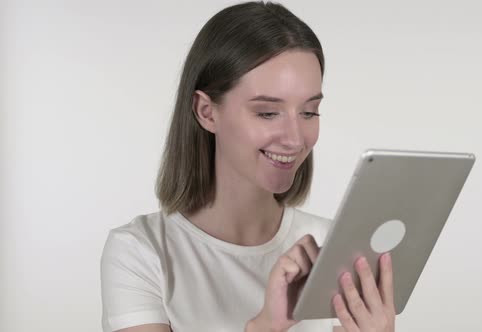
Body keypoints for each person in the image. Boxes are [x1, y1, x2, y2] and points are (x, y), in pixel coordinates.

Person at [100, 2, 396, 331]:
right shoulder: (142, 252)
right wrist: (264, 326)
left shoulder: (332, 249)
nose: (295, 139)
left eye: (309, 112)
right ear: (206, 112)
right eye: (268, 113)